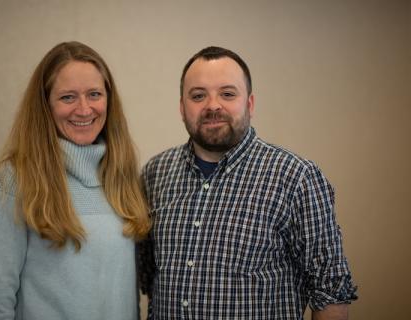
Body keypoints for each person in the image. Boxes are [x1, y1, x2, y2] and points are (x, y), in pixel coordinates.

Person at [138, 46, 357, 319]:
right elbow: (148, 277)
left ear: (250, 104)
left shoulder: (296, 177)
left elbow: (331, 292)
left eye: (227, 94)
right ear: (182, 108)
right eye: (198, 96)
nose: (213, 105)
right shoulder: (154, 174)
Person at [0, 41, 151, 320]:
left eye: (94, 94)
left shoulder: (122, 177)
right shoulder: (14, 179)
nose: (84, 110)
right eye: (68, 97)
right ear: (45, 104)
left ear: (109, 99)